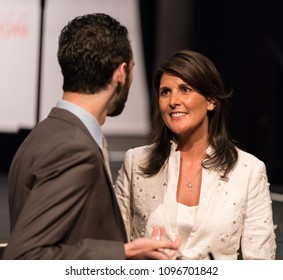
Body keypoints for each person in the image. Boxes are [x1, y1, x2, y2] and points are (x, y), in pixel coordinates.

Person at [3, 13, 181, 260]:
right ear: (121, 72)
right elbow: (24, 258)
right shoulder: (74, 149)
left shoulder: (44, 134)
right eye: (131, 69)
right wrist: (123, 253)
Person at [114, 49, 277, 260]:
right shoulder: (136, 161)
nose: (173, 101)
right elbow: (113, 248)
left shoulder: (248, 170)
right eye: (165, 92)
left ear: (211, 100)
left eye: (185, 89)